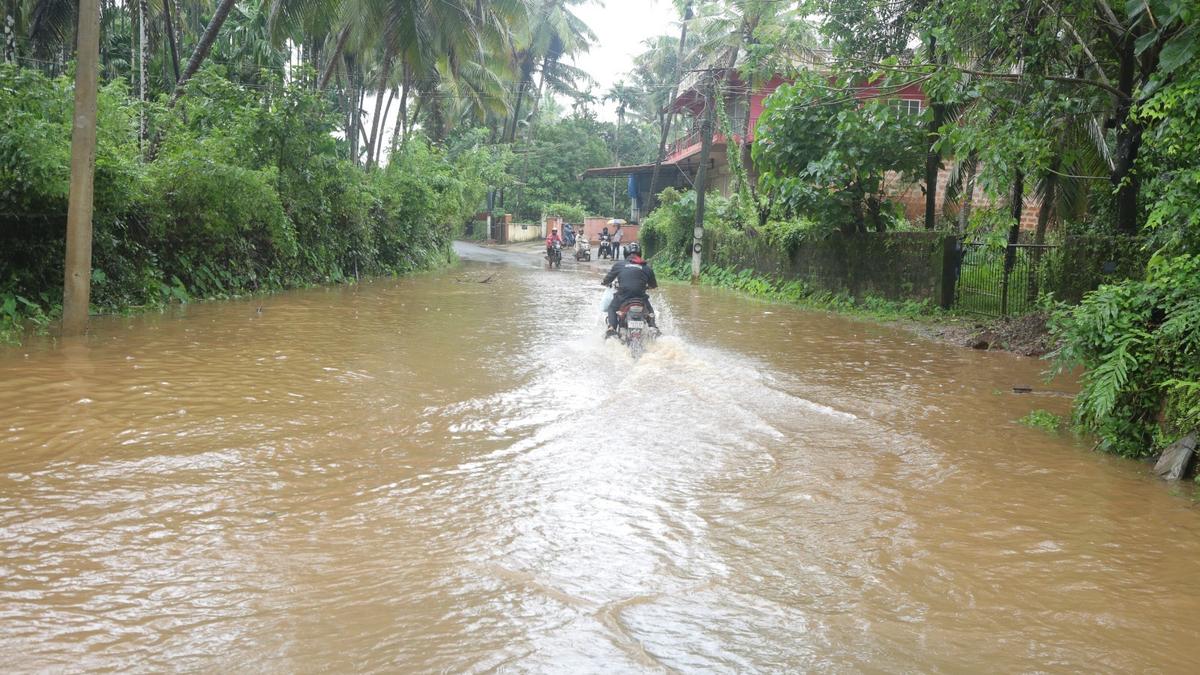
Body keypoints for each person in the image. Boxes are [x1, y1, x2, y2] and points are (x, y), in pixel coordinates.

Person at [602, 242, 657, 336]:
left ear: (625, 253)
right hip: (640, 298)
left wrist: (605, 283)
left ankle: (612, 327)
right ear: (640, 253)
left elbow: (607, 280)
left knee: (612, 308)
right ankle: (653, 327)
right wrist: (647, 287)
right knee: (649, 309)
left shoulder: (619, 265)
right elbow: (653, 285)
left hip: (623, 297)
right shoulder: (646, 267)